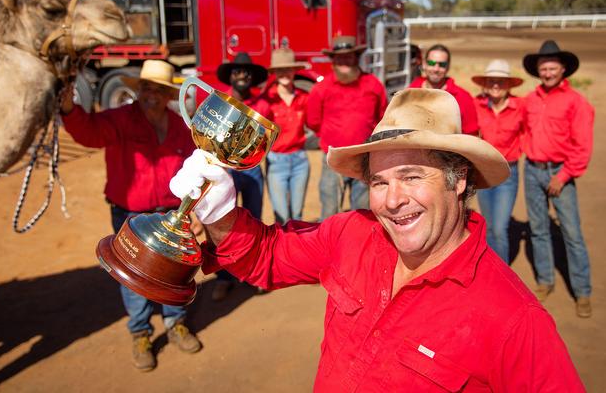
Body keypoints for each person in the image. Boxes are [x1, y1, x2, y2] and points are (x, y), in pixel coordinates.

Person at [169, 88, 584, 392]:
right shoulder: (351, 232)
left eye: (412, 176)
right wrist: (219, 211)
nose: (392, 200)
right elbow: (268, 258)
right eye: (379, 181)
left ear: (459, 180)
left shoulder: (515, 319)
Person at [61, 60, 202, 371]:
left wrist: (192, 210)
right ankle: (140, 332)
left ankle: (175, 323)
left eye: (159, 89)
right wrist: (70, 108)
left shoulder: (180, 126)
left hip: (169, 214)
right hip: (129, 213)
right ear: (138, 90)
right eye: (146, 87)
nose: (151, 94)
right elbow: (89, 132)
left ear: (168, 95)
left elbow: (192, 172)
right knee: (133, 278)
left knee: (169, 273)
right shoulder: (120, 119)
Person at [521, 40, 594, 318]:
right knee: (539, 229)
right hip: (532, 170)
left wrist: (563, 176)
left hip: (559, 172)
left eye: (552, 68)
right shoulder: (530, 99)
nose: (548, 72)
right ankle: (545, 281)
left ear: (563, 69)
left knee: (572, 233)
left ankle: (582, 290)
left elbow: (582, 146)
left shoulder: (577, 102)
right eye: (543, 68)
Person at [212, 51, 271, 301]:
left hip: (253, 171)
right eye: (237, 71)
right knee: (222, 223)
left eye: (246, 72)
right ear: (231, 76)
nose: (242, 75)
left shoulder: (263, 106)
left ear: (252, 77)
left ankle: (252, 273)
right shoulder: (220, 102)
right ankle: (225, 277)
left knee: (252, 223)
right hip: (224, 171)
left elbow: (266, 140)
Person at [307, 35, 387, 220]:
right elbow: (313, 121)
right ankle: (328, 246)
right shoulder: (322, 88)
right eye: (340, 57)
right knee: (329, 209)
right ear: (333, 61)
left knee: (363, 211)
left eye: (349, 56)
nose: (344, 61)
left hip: (364, 156)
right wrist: (332, 137)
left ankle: (359, 246)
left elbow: (381, 116)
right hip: (332, 158)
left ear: (356, 58)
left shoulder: (373, 84)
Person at [471, 59, 525, 263]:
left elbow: (531, 131)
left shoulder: (520, 106)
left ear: (509, 85)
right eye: (491, 81)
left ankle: (503, 274)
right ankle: (492, 267)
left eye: (501, 81)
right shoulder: (477, 105)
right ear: (485, 83)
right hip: (484, 172)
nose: (495, 85)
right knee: (490, 225)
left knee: (500, 228)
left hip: (508, 174)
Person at [262, 48, 311, 223]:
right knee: (281, 216)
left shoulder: (304, 97)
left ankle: (295, 249)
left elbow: (315, 121)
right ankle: (282, 250)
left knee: (297, 215)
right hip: (276, 161)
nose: (284, 73)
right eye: (280, 69)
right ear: (274, 72)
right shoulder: (267, 99)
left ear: (294, 71)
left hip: (300, 160)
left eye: (288, 69)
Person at [410, 44, 479, 135]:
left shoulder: (463, 97)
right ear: (424, 64)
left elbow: (471, 134)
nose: (436, 69)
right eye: (431, 63)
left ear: (448, 67)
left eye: (442, 64)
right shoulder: (410, 92)